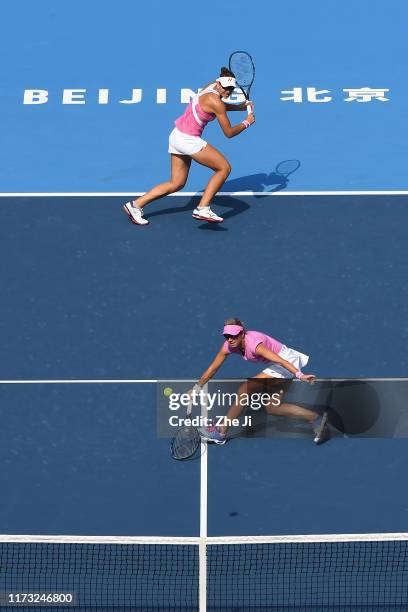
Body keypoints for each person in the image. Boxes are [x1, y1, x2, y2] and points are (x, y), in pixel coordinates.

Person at [123, 67, 255, 226]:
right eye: (226, 88)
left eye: (231, 89)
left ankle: (135, 205)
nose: (228, 91)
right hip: (188, 140)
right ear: (219, 84)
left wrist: (240, 106)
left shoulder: (210, 86)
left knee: (176, 183)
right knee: (224, 168)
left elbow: (219, 105)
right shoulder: (217, 102)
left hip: (176, 136)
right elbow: (229, 133)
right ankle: (202, 208)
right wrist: (247, 121)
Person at [193, 318, 330, 445]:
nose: (230, 339)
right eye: (227, 336)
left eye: (234, 335)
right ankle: (316, 419)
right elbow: (213, 368)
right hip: (281, 363)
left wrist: (299, 375)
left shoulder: (254, 344)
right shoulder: (228, 346)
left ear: (242, 333)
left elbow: (280, 360)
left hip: (286, 362)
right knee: (273, 407)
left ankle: (221, 432)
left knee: (245, 389)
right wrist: (197, 388)